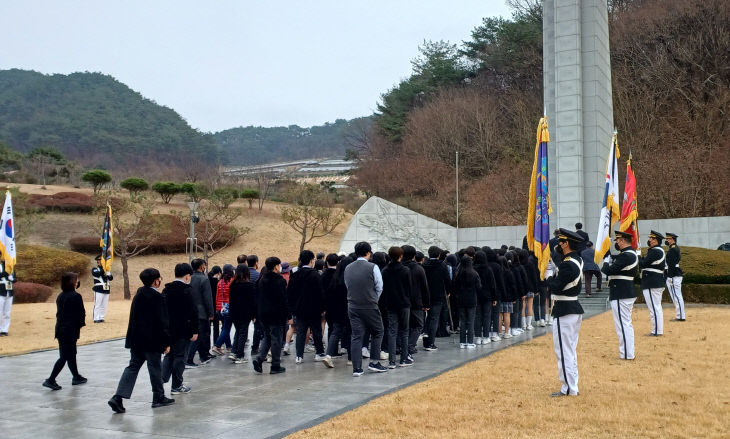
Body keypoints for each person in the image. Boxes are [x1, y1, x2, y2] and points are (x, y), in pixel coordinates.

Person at [108, 268, 174, 413]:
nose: (160, 280)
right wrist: (166, 342)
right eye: (159, 278)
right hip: (153, 341)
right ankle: (158, 397)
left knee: (132, 367)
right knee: (155, 368)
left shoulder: (139, 294)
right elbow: (162, 323)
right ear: (155, 281)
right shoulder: (158, 297)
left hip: (137, 340)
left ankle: (118, 396)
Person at [549, 228, 585, 397]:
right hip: (571, 308)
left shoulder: (568, 264)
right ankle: (572, 385)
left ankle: (569, 388)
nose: (558, 243)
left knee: (563, 351)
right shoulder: (575, 259)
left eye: (561, 241)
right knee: (569, 350)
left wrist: (548, 276)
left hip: (564, 309)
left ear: (566, 244)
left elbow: (556, 286)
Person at [344, 241, 387, 376]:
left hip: (352, 305)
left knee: (356, 336)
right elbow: (379, 286)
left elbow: (347, 285)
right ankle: (374, 362)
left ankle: (357, 368)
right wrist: (374, 299)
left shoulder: (348, 267)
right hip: (369, 305)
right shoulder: (373, 267)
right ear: (368, 252)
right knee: (378, 331)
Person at [43, 272, 87, 391]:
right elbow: (80, 313)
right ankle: (50, 379)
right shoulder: (75, 296)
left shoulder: (60, 296)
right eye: (76, 280)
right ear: (72, 282)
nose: (78, 282)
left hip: (61, 329)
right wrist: (80, 324)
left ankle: (76, 376)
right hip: (70, 330)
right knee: (65, 356)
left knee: (71, 354)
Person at [287, 250, 330, 366]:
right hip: (314, 308)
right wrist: (323, 307)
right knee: (316, 331)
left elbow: (290, 293)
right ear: (312, 261)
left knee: (301, 331)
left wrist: (292, 308)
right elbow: (321, 293)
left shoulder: (295, 274)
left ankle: (299, 356)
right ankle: (319, 353)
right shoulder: (315, 275)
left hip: (299, 309)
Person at [601, 231, 639, 360]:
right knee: (625, 324)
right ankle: (627, 352)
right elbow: (618, 261)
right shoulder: (629, 254)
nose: (616, 243)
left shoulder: (626, 255)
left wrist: (606, 261)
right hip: (625, 291)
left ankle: (627, 354)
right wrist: (609, 255)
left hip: (621, 292)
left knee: (623, 325)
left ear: (623, 241)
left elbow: (608, 270)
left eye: (618, 241)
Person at [161, 263, 198, 394]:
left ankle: (161, 379)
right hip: (184, 329)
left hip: (169, 329)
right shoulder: (188, 290)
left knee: (169, 355)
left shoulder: (166, 290)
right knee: (180, 357)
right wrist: (195, 330)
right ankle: (177, 385)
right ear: (187, 276)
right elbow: (193, 311)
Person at [252, 257, 289, 375]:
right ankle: (275, 365)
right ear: (275, 266)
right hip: (276, 314)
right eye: (279, 265)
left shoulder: (261, 280)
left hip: (263, 314)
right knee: (276, 339)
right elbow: (283, 299)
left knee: (267, 337)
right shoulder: (280, 280)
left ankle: (259, 359)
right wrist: (288, 315)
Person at [381, 246, 413, 368]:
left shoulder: (385, 270)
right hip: (404, 303)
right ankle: (404, 359)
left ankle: (392, 361)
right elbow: (409, 288)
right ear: (401, 256)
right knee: (404, 331)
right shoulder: (405, 270)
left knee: (392, 331)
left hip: (390, 304)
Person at [185, 258, 215, 367]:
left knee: (197, 335)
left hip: (190, 311)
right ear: (202, 266)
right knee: (200, 335)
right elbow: (208, 298)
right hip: (201, 312)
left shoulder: (189, 278)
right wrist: (211, 312)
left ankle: (203, 355)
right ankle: (189, 358)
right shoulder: (204, 279)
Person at [402, 245, 429, 355]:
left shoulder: (399, 267)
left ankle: (402, 346)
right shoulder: (418, 269)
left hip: (402, 301)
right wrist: (426, 303)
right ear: (414, 256)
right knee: (418, 325)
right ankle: (410, 345)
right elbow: (424, 288)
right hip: (416, 301)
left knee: (404, 325)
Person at [422, 246, 450, 351]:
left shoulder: (424, 264)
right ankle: (430, 343)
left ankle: (425, 337)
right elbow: (447, 279)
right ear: (438, 255)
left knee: (428, 317)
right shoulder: (442, 265)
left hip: (426, 295)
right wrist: (448, 291)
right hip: (438, 295)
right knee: (434, 318)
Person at [228, 264, 257, 363]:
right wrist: (254, 315)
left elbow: (231, 300)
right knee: (243, 333)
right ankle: (240, 355)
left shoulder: (233, 285)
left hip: (234, 312)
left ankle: (234, 352)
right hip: (245, 313)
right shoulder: (249, 286)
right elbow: (252, 302)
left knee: (238, 331)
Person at [640, 231, 667, 336]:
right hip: (654, 281)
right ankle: (657, 330)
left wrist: (638, 257)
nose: (649, 240)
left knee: (654, 308)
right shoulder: (655, 251)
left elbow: (643, 263)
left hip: (652, 282)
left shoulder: (655, 251)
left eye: (651, 238)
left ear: (655, 240)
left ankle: (656, 331)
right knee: (656, 307)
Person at [323, 253, 348, 366]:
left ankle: (329, 354)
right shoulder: (346, 280)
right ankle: (351, 359)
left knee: (335, 331)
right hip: (346, 309)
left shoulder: (332, 278)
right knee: (350, 332)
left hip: (332, 308)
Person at [454, 254, 481, 348]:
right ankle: (470, 342)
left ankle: (462, 342)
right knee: (470, 321)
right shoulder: (474, 273)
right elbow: (479, 287)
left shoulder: (459, 273)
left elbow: (455, 287)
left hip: (461, 300)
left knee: (463, 321)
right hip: (472, 299)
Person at [473, 251, 496, 344]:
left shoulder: (473, 269)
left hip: (476, 296)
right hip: (487, 296)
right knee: (487, 316)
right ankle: (486, 336)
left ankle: (478, 337)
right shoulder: (488, 269)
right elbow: (492, 285)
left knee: (477, 316)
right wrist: (494, 298)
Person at [212, 264, 234, 355]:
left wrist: (217, 308)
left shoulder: (220, 282)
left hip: (220, 308)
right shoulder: (231, 281)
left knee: (225, 327)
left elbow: (217, 296)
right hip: (228, 307)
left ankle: (229, 346)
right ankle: (217, 345)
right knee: (226, 328)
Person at [665, 232, 686, 321]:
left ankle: (681, 316)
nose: (666, 240)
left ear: (672, 239)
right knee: (676, 296)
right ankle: (679, 315)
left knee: (677, 296)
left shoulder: (673, 249)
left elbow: (672, 264)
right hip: (675, 274)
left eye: (668, 239)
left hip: (674, 274)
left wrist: (669, 276)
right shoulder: (673, 248)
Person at [91, 255, 113, 323]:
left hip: (106, 288)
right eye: (101, 261)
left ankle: (101, 317)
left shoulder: (106, 269)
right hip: (98, 288)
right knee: (98, 304)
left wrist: (108, 273)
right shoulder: (95, 269)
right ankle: (96, 318)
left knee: (104, 304)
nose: (103, 262)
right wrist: (104, 269)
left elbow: (111, 278)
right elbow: (97, 274)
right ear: (98, 261)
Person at [0, 256, 16, 336]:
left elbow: (15, 279)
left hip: (9, 291)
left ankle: (4, 330)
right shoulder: (6, 268)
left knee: (7, 312)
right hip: (0, 290)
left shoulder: (9, 266)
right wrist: (5, 273)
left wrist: (12, 279)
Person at [208, 266, 222, 342]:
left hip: (208, 305)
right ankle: (216, 342)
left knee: (208, 327)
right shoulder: (216, 282)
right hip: (215, 305)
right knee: (216, 326)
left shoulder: (207, 279)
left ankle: (207, 343)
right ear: (218, 273)